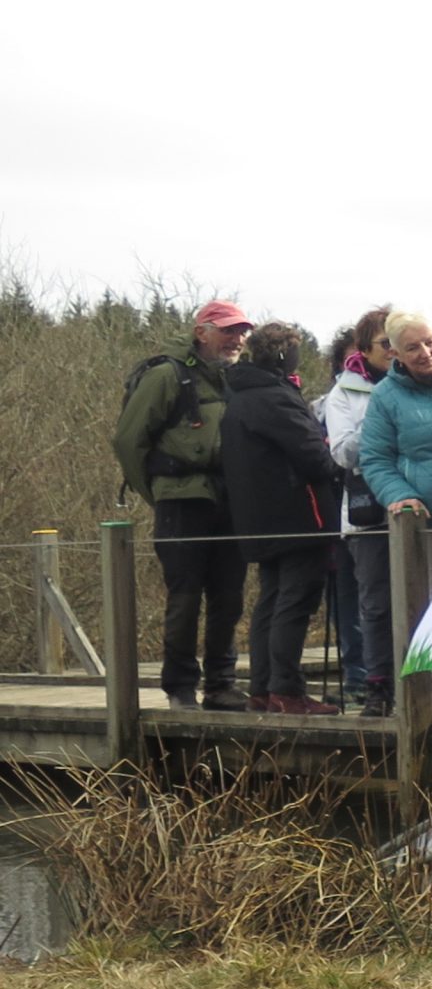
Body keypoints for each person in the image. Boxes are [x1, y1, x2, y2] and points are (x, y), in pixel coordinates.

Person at [113, 298, 253, 710]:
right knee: (186, 595)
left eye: (242, 331)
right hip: (182, 501)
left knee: (230, 596)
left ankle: (221, 684)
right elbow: (127, 440)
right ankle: (180, 687)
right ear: (201, 332)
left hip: (231, 501)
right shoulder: (166, 375)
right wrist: (156, 494)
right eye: (228, 330)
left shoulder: (237, 379)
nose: (237, 338)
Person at [360, 312, 432, 721]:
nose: (426, 352)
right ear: (395, 353)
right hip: (426, 517)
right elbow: (375, 458)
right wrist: (400, 495)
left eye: (429, 341)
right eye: (413, 347)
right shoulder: (386, 397)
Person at [221, 322, 342, 715]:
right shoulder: (276, 397)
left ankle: (263, 689)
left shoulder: (239, 397)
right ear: (283, 357)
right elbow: (313, 456)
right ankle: (287, 691)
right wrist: (331, 464)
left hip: (259, 517)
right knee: (295, 601)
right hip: (298, 516)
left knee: (271, 600)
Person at [321, 306, 396, 714]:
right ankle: (378, 688)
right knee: (376, 605)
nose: (395, 350)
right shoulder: (344, 393)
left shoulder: (422, 381)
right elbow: (344, 452)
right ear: (365, 350)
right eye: (387, 343)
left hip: (424, 512)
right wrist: (380, 415)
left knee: (424, 602)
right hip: (369, 516)